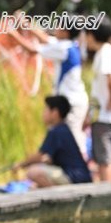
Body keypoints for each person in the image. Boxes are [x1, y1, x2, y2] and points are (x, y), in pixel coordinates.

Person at [23, 22, 89, 158]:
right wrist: (25, 23)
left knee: (73, 137)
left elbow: (32, 49)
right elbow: (45, 39)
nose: (56, 29)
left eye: (59, 27)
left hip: (72, 103)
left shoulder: (63, 48)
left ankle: (82, 169)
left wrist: (11, 32)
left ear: (66, 32)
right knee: (69, 136)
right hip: (73, 101)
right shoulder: (68, 45)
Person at [14, 95, 92, 187]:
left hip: (75, 177)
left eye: (46, 110)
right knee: (35, 185)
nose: (43, 113)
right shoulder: (63, 129)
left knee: (33, 172)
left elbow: (39, 155)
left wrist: (21, 165)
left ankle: (59, 197)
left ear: (55, 113)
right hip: (79, 176)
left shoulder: (56, 131)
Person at [86, 21, 111, 182]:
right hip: (101, 114)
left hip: (105, 115)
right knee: (104, 156)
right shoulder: (104, 53)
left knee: (105, 158)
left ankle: (107, 195)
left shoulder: (105, 53)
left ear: (92, 35)